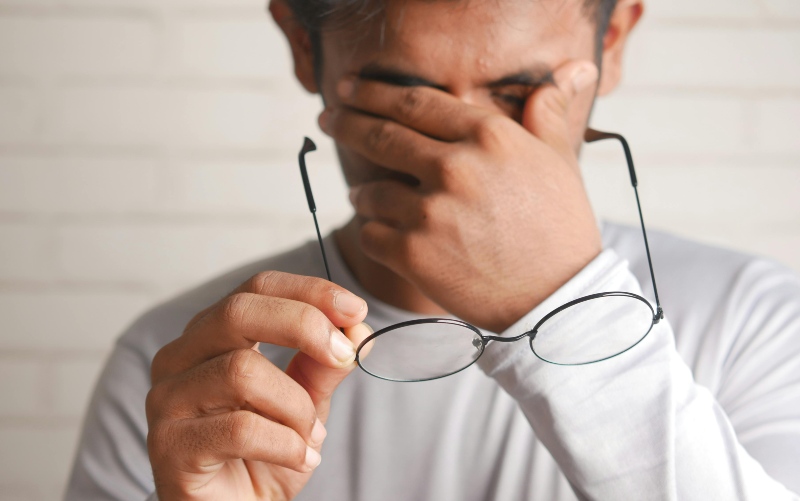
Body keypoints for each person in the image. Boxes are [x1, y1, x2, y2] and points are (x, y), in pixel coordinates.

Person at [65, 0, 800, 499]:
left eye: (517, 93)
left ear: (610, 41)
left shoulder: (755, 325)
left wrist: (563, 301)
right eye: (403, 97)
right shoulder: (188, 368)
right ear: (301, 43)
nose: (465, 152)